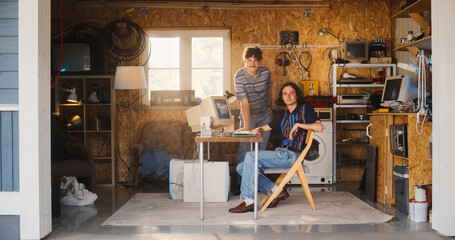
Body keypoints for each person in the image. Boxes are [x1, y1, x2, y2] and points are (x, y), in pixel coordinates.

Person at [229, 82, 323, 213]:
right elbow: (264, 128)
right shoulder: (283, 117)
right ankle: (276, 191)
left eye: (291, 93)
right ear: (282, 98)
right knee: (241, 167)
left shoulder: (305, 109)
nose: (288, 96)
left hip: (292, 156)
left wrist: (299, 125)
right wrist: (258, 129)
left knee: (250, 156)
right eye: (285, 94)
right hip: (282, 153)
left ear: (297, 96)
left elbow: (319, 127)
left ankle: (249, 201)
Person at [233, 46, 273, 194]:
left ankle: (258, 184)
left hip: (265, 114)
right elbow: (244, 102)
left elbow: (269, 91)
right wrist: (247, 128)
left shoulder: (266, 72)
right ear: (245, 60)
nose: (253, 63)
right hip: (248, 116)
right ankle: (240, 183)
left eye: (255, 60)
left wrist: (271, 112)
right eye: (249, 60)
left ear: (259, 61)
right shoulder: (239, 76)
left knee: (261, 151)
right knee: (244, 150)